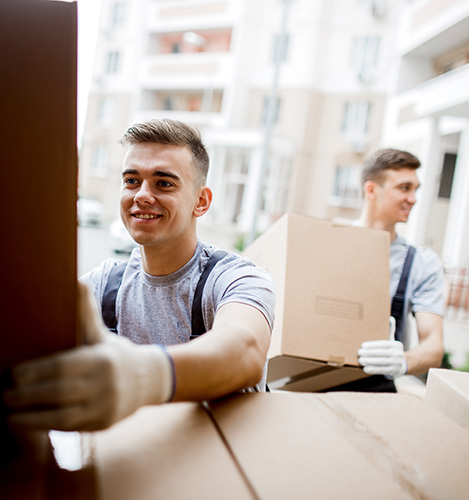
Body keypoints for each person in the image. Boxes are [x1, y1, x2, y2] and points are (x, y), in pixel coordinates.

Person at [3, 119, 275, 431]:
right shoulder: (102, 286)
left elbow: (245, 349)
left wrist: (143, 376)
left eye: (164, 183)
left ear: (200, 202)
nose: (142, 195)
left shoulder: (236, 279)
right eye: (132, 181)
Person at [333, 148, 445, 392]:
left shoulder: (422, 263)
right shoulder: (329, 244)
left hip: (377, 392)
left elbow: (434, 347)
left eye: (416, 189)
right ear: (372, 190)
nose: (413, 198)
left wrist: (403, 361)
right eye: (404, 188)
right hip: (310, 382)